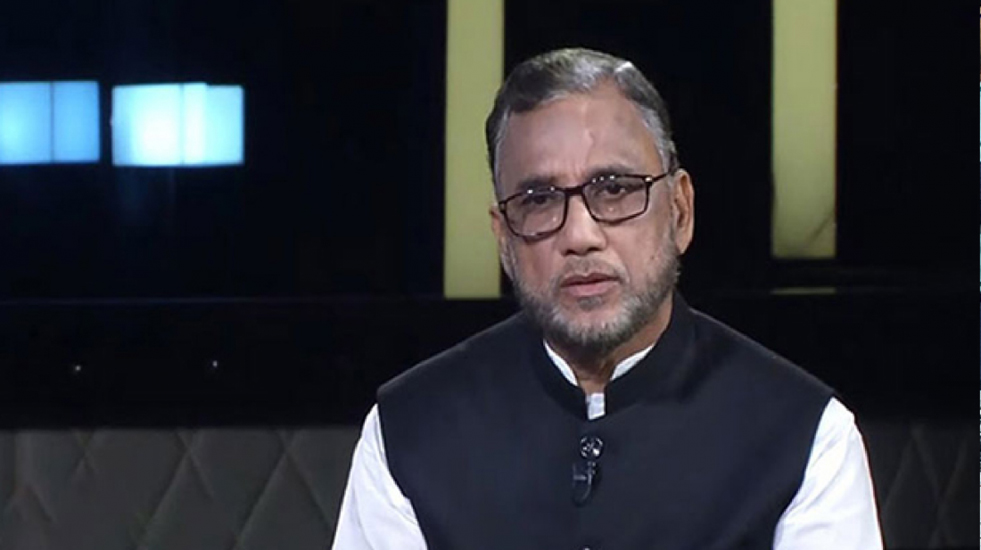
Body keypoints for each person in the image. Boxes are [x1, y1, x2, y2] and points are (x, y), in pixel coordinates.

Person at [332, 47, 882, 550]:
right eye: (539, 199)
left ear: (680, 211)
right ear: (503, 239)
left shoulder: (806, 439)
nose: (580, 235)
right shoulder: (409, 433)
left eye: (614, 190)